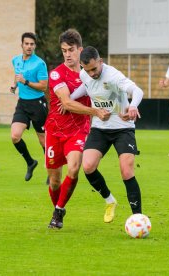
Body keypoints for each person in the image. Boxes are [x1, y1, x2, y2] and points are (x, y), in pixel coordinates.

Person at [71, 46, 144, 223]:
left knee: (126, 170)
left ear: (100, 62)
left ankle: (137, 218)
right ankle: (109, 200)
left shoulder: (113, 75)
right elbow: (85, 85)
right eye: (87, 70)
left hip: (123, 127)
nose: (92, 74)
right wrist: (70, 99)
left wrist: (133, 105)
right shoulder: (85, 74)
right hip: (100, 128)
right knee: (87, 166)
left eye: (94, 69)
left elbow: (137, 90)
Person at [45, 29, 110, 229]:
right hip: (55, 130)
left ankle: (59, 211)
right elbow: (66, 102)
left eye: (71, 50)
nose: (67, 54)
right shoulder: (56, 73)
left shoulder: (89, 73)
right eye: (64, 50)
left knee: (74, 168)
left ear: (80, 50)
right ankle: (57, 206)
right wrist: (94, 111)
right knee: (54, 181)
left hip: (78, 130)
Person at [10, 32, 48, 182]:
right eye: (27, 44)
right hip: (22, 103)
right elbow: (17, 74)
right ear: (22, 45)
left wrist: (25, 82)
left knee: (43, 141)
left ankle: (51, 171)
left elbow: (43, 87)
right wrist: (14, 85)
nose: (29, 46)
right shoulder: (16, 60)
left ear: (35, 46)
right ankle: (30, 162)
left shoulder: (40, 63)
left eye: (32, 44)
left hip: (38, 104)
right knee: (14, 136)